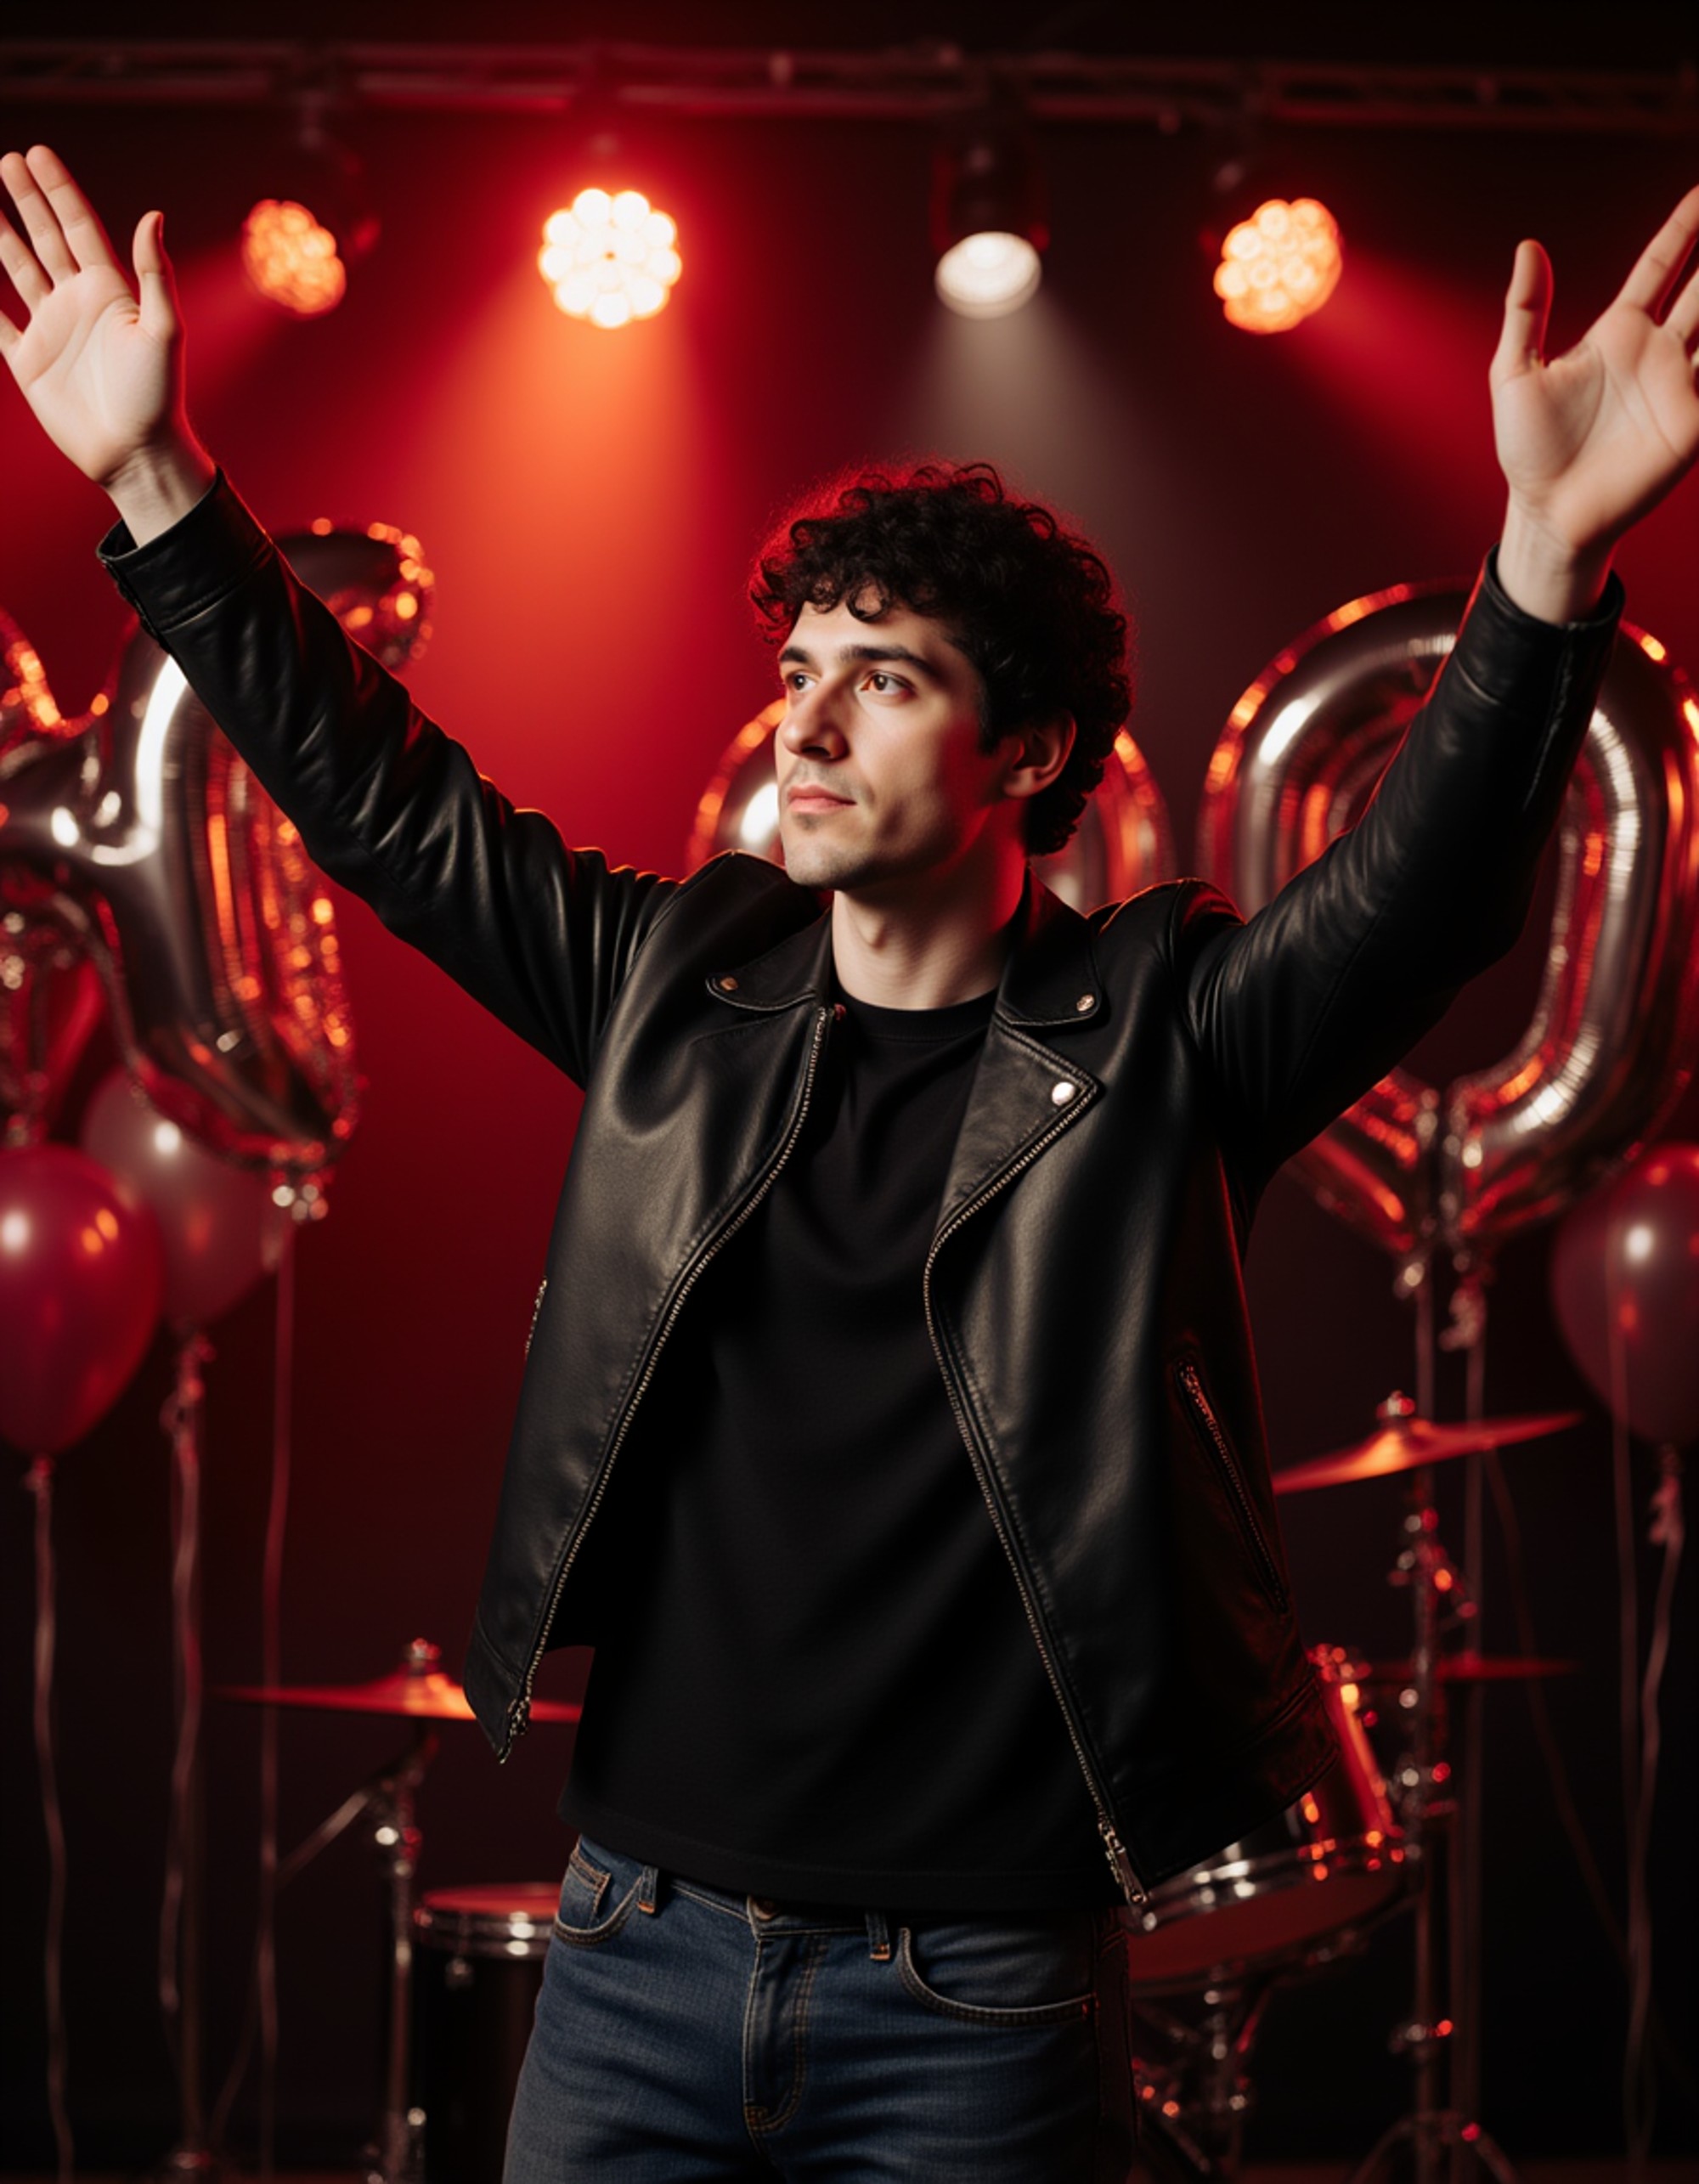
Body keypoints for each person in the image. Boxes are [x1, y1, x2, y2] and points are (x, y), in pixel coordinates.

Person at [3, 141, 1696, 2181]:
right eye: (796, 669)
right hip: (630, 1950)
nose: (805, 722)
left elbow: (1423, 895)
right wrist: (157, 485)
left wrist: (1537, 564)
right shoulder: (671, 984)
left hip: (976, 2000)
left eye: (881, 679)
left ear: (1033, 753)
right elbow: (383, 795)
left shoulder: (1169, 1032)